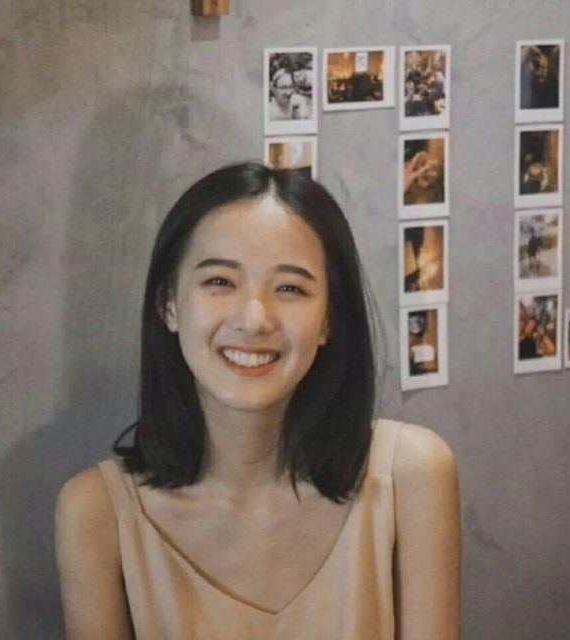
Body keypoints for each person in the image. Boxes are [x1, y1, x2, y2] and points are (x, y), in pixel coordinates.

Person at [55, 163, 460, 639]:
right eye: (220, 282)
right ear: (169, 304)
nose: (254, 319)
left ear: (328, 319)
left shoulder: (410, 476)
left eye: (290, 288)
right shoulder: (96, 512)